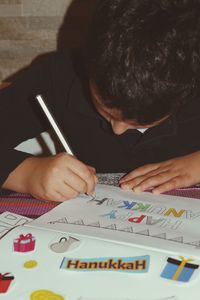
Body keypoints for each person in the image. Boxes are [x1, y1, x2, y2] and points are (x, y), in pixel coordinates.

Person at [1, 0, 200, 202]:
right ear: (89, 66)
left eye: (142, 121)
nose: (117, 129)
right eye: (107, 110)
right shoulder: (60, 76)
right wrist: (25, 174)